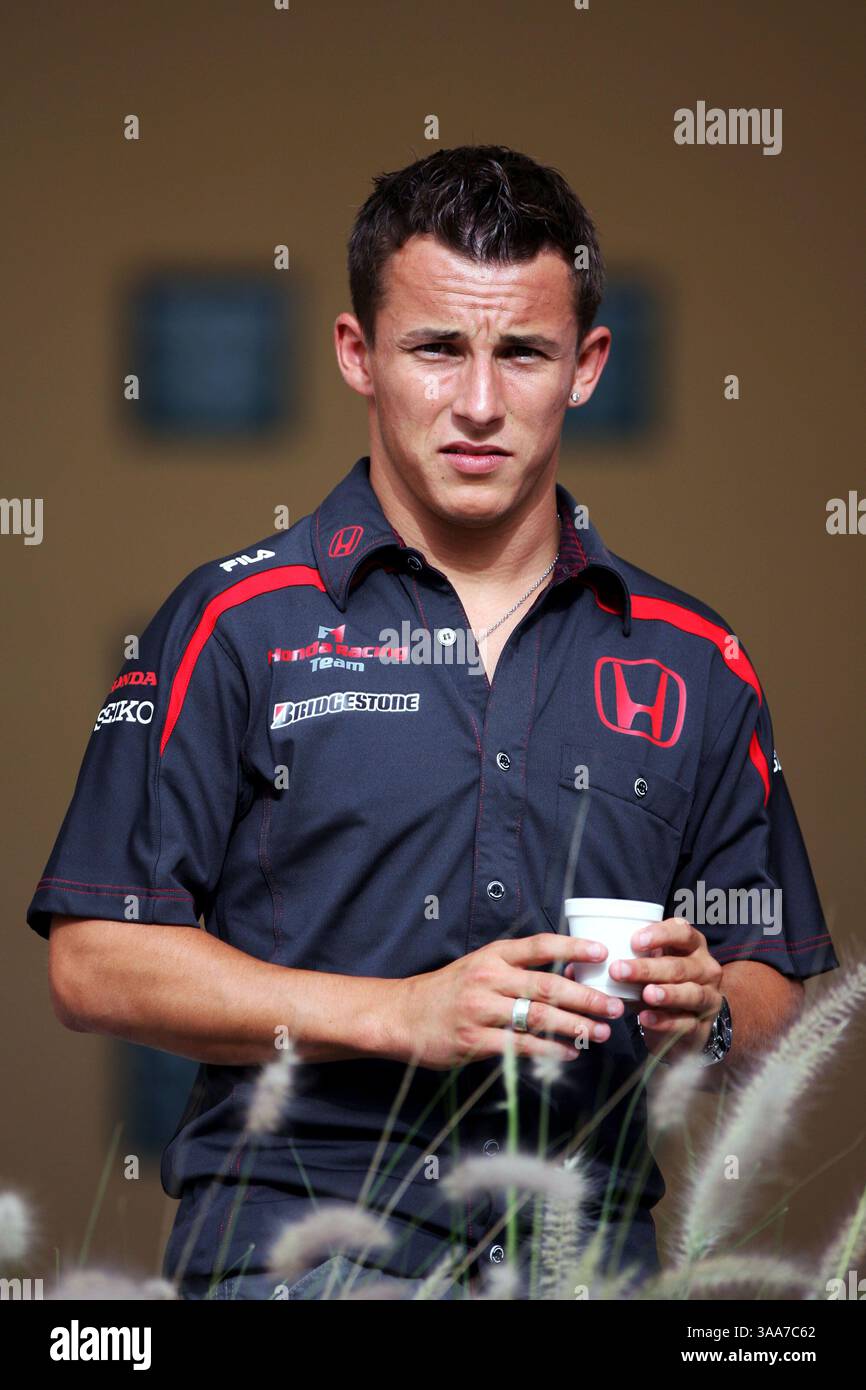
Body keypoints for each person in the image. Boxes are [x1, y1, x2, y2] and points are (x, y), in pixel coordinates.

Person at [27, 145, 839, 1301]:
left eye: (521, 353)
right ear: (357, 354)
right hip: (295, 1263)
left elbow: (773, 983)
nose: (475, 403)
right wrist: (400, 1013)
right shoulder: (230, 621)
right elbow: (95, 960)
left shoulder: (693, 658)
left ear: (586, 366)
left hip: (583, 1268)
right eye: (434, 348)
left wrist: (704, 1009)